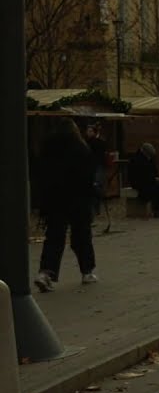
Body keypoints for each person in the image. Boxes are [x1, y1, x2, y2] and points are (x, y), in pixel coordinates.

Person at [33, 118, 98, 291]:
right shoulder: (80, 148)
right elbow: (88, 175)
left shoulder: (47, 148)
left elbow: (40, 173)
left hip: (55, 199)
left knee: (54, 236)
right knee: (82, 236)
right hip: (77, 199)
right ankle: (87, 271)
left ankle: (45, 272)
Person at [128, 143, 159, 216]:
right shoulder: (135, 160)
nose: (150, 157)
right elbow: (139, 176)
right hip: (140, 183)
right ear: (145, 152)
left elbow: (154, 172)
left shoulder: (149, 158)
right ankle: (158, 210)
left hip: (150, 180)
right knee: (156, 188)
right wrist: (154, 179)